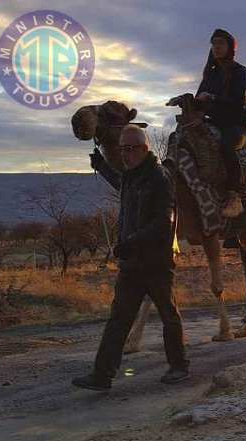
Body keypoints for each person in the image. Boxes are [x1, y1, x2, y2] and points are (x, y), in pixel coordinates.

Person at [73, 125, 189, 391]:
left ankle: (179, 365)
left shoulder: (161, 177)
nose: (124, 154)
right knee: (119, 318)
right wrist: (102, 166)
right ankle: (102, 375)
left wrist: (131, 243)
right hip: (132, 263)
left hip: (156, 262)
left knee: (169, 314)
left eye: (130, 149)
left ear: (144, 149)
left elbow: (163, 222)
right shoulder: (131, 177)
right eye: (122, 149)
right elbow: (119, 182)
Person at [195, 28, 246, 218]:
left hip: (236, 125)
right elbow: (200, 97)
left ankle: (234, 194)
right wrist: (187, 100)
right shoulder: (210, 74)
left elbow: (239, 102)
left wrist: (212, 98)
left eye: (220, 43)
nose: (216, 47)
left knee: (225, 146)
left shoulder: (241, 73)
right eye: (214, 44)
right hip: (213, 123)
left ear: (230, 47)